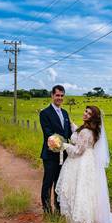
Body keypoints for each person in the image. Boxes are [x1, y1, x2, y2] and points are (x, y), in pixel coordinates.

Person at [39, 85, 72, 214]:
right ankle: (47, 210)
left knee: (60, 182)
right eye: (57, 95)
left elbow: (68, 132)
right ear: (52, 96)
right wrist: (63, 144)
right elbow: (49, 134)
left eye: (62, 95)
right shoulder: (45, 113)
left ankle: (59, 208)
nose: (60, 98)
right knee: (48, 182)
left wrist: (80, 138)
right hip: (50, 154)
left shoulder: (65, 113)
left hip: (64, 155)